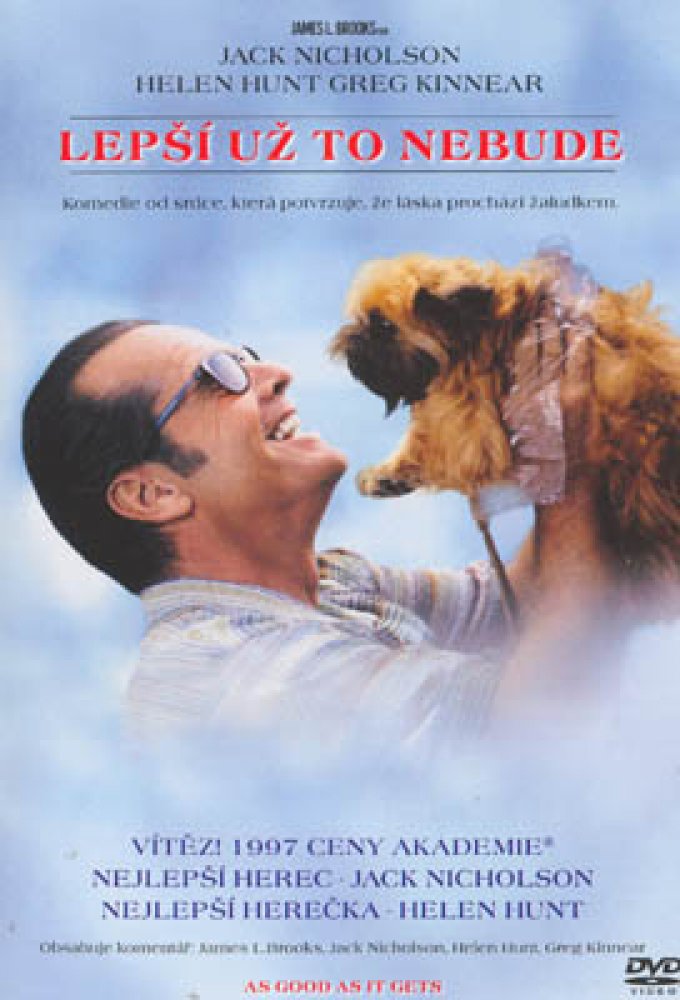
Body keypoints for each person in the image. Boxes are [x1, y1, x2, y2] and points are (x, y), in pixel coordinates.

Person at [22, 320, 614, 751]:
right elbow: (534, 717)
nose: (277, 374)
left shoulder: (330, 583)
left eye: (247, 355)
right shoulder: (217, 670)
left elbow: (522, 604)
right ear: (153, 494)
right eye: (218, 375)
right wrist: (569, 457)